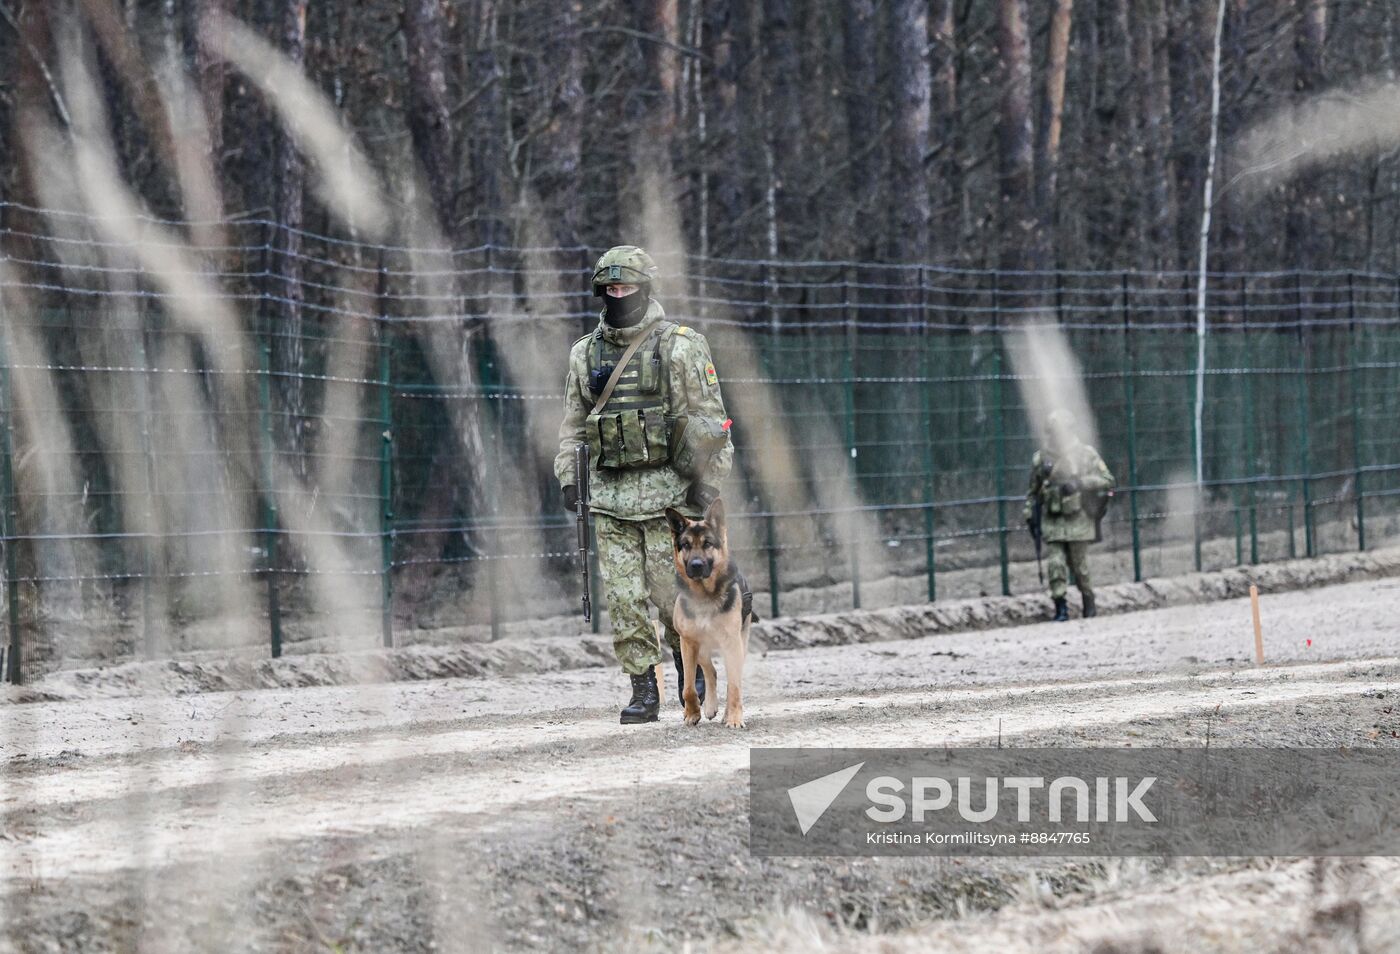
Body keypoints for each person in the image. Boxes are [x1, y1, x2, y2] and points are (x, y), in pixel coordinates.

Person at [555, 245, 734, 723]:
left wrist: (707, 486)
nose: (618, 296)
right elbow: (573, 425)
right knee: (625, 601)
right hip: (610, 496)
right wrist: (570, 478)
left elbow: (712, 422)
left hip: (668, 499)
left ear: (645, 288)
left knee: (669, 597)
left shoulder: (680, 345)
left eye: (627, 288)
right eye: (610, 289)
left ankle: (690, 674)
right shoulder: (584, 354)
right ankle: (642, 690)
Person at [1023, 409, 1115, 621]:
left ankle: (1088, 601)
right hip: (1053, 518)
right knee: (1055, 565)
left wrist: (1081, 483)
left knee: (1079, 567)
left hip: (1078, 518)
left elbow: (1107, 479)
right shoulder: (1041, 459)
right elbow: (1033, 492)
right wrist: (1029, 514)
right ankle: (1060, 607)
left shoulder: (1086, 454)